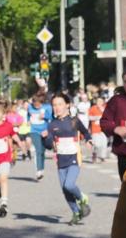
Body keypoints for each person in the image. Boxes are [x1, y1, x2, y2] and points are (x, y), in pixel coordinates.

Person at [42, 93, 93, 225]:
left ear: (67, 105)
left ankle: (82, 197)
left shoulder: (74, 121)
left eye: (60, 104)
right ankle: (76, 212)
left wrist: (89, 140)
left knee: (69, 184)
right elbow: (49, 145)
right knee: (65, 190)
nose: (57, 107)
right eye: (54, 105)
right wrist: (45, 138)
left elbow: (85, 132)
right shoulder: (52, 124)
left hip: (74, 158)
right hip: (61, 160)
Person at [26, 91, 52, 180]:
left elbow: (51, 118)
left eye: (38, 105)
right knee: (38, 150)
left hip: (44, 131)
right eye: (35, 104)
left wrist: (44, 116)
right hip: (34, 131)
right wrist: (28, 120)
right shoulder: (30, 107)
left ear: (41, 102)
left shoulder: (47, 107)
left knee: (42, 151)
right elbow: (28, 115)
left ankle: (42, 169)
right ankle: (38, 171)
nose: (36, 106)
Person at [87, 97, 109, 163]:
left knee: (104, 143)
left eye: (100, 101)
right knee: (97, 144)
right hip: (95, 129)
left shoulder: (105, 108)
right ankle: (94, 154)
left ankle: (103, 157)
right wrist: (97, 117)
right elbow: (89, 117)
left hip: (103, 129)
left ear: (103, 102)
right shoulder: (93, 108)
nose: (99, 102)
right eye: (98, 101)